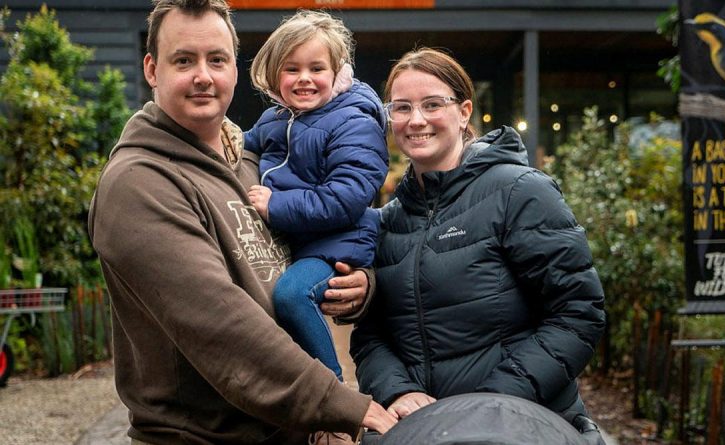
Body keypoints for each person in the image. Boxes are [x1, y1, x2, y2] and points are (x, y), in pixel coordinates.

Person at [87, 1, 396, 444]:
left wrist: (355, 280)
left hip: (286, 430)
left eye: (217, 59)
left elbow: (309, 233)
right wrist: (342, 404)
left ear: (235, 69)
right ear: (152, 70)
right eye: (184, 60)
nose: (203, 75)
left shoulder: (250, 161)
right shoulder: (139, 184)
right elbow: (223, 328)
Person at [350, 48, 606, 442]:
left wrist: (489, 405)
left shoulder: (519, 192)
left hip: (522, 426)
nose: (415, 120)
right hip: (422, 431)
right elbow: (371, 334)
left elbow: (578, 313)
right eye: (401, 108)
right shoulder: (386, 221)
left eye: (432, 104)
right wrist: (397, 391)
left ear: (464, 111)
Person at [244, 10, 388, 386]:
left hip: (337, 244)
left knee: (292, 296)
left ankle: (332, 390)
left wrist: (276, 205)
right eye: (292, 69)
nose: (304, 78)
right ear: (276, 75)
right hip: (302, 240)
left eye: (316, 68)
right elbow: (241, 145)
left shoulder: (353, 121)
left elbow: (346, 197)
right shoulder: (276, 118)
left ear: (338, 73)